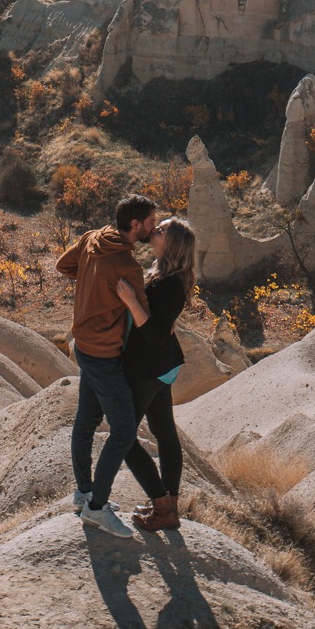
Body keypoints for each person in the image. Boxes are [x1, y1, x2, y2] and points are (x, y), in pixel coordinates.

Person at [56, 194, 156, 537]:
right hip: (104, 354)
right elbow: (143, 320)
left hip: (83, 345)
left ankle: (83, 493)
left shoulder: (90, 239)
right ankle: (96, 508)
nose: (153, 228)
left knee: (85, 422)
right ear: (135, 225)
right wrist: (120, 299)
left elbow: (62, 266)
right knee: (125, 431)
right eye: (150, 223)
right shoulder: (128, 266)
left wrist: (91, 286)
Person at [115, 216, 196, 532]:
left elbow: (155, 334)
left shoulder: (169, 284)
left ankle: (163, 507)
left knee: (123, 437)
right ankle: (169, 504)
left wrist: (131, 302)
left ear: (172, 243)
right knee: (164, 433)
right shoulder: (165, 276)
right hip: (161, 366)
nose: (155, 231)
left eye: (161, 230)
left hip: (149, 367)